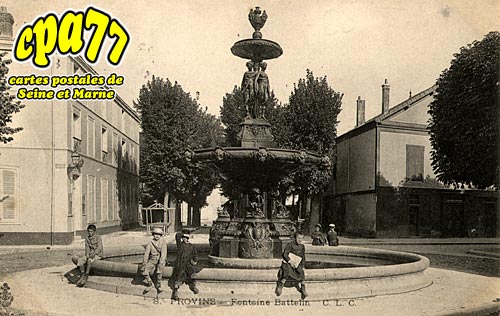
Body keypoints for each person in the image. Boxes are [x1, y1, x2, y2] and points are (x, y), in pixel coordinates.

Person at [275, 232, 308, 299]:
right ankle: (280, 285)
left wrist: (303, 265)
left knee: (301, 271)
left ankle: (303, 288)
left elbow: (303, 257)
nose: (300, 240)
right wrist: (290, 261)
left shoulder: (302, 246)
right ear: (295, 238)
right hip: (288, 262)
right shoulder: (290, 244)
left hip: (296, 263)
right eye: (298, 238)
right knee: (287, 270)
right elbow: (285, 254)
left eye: (301, 238)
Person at [169, 233, 202, 300]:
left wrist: (194, 261)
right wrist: (183, 233)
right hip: (180, 264)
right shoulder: (180, 245)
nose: (184, 239)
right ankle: (175, 293)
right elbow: (177, 236)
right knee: (178, 278)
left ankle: (193, 287)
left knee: (192, 274)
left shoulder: (191, 246)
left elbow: (195, 255)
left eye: (186, 238)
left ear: (188, 238)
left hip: (188, 264)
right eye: (183, 237)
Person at [141, 227, 167, 293]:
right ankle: (150, 284)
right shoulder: (150, 243)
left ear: (161, 235)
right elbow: (146, 253)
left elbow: (164, 253)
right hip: (152, 259)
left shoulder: (163, 242)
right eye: (155, 234)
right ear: (153, 235)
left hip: (161, 259)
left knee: (159, 271)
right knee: (144, 271)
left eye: (159, 234)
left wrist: (161, 262)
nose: (157, 236)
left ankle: (158, 285)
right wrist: (144, 263)